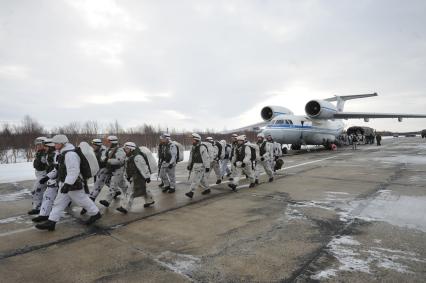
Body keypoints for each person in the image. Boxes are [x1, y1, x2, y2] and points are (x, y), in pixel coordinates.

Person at [35, 135, 101, 231]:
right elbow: (59, 168)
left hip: (73, 184)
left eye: (56, 143)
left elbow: (74, 171)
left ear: (62, 144)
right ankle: (51, 222)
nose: (54, 145)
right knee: (59, 203)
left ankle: (95, 213)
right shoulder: (62, 153)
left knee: (82, 200)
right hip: (65, 183)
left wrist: (67, 184)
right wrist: (47, 177)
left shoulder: (70, 155)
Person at [116, 142, 154, 214]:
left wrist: (147, 177)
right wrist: (128, 176)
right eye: (125, 149)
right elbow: (128, 167)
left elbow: (143, 167)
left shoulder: (137, 157)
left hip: (138, 177)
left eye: (127, 149)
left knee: (130, 192)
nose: (125, 150)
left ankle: (125, 207)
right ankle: (150, 200)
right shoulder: (130, 156)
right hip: (134, 176)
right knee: (144, 188)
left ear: (131, 149)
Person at [32, 139, 59, 223]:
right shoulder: (49, 154)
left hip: (56, 178)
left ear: (50, 146)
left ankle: (93, 211)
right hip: (51, 177)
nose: (44, 148)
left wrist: (47, 177)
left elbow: (56, 168)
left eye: (46, 146)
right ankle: (44, 215)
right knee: (48, 196)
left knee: (75, 197)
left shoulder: (55, 155)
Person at [81, 138, 108, 215]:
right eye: (92, 144)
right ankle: (116, 192)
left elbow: (102, 161)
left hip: (104, 170)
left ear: (98, 145)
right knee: (107, 183)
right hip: (98, 170)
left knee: (96, 187)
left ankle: (86, 207)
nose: (92, 146)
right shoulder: (94, 151)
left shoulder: (103, 151)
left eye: (94, 145)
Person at [99, 136, 127, 208]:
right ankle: (128, 194)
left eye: (108, 142)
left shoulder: (119, 150)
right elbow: (103, 157)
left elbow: (119, 161)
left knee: (113, 184)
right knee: (123, 185)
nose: (107, 143)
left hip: (118, 170)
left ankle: (107, 201)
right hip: (111, 170)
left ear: (112, 142)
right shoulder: (108, 150)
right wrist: (104, 159)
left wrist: (108, 160)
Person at [185, 133, 211, 198]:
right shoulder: (193, 147)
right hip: (195, 165)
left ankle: (191, 192)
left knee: (196, 179)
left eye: (193, 140)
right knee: (201, 179)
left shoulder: (202, 147)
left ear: (197, 140)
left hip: (201, 166)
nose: (192, 141)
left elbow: (206, 158)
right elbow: (191, 157)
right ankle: (207, 188)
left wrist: (207, 166)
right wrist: (189, 165)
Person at [28, 137, 48, 215]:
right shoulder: (39, 153)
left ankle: (37, 208)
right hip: (39, 174)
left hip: (44, 174)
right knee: (40, 191)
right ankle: (39, 206)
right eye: (37, 145)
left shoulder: (46, 153)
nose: (38, 146)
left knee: (36, 191)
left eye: (40, 145)